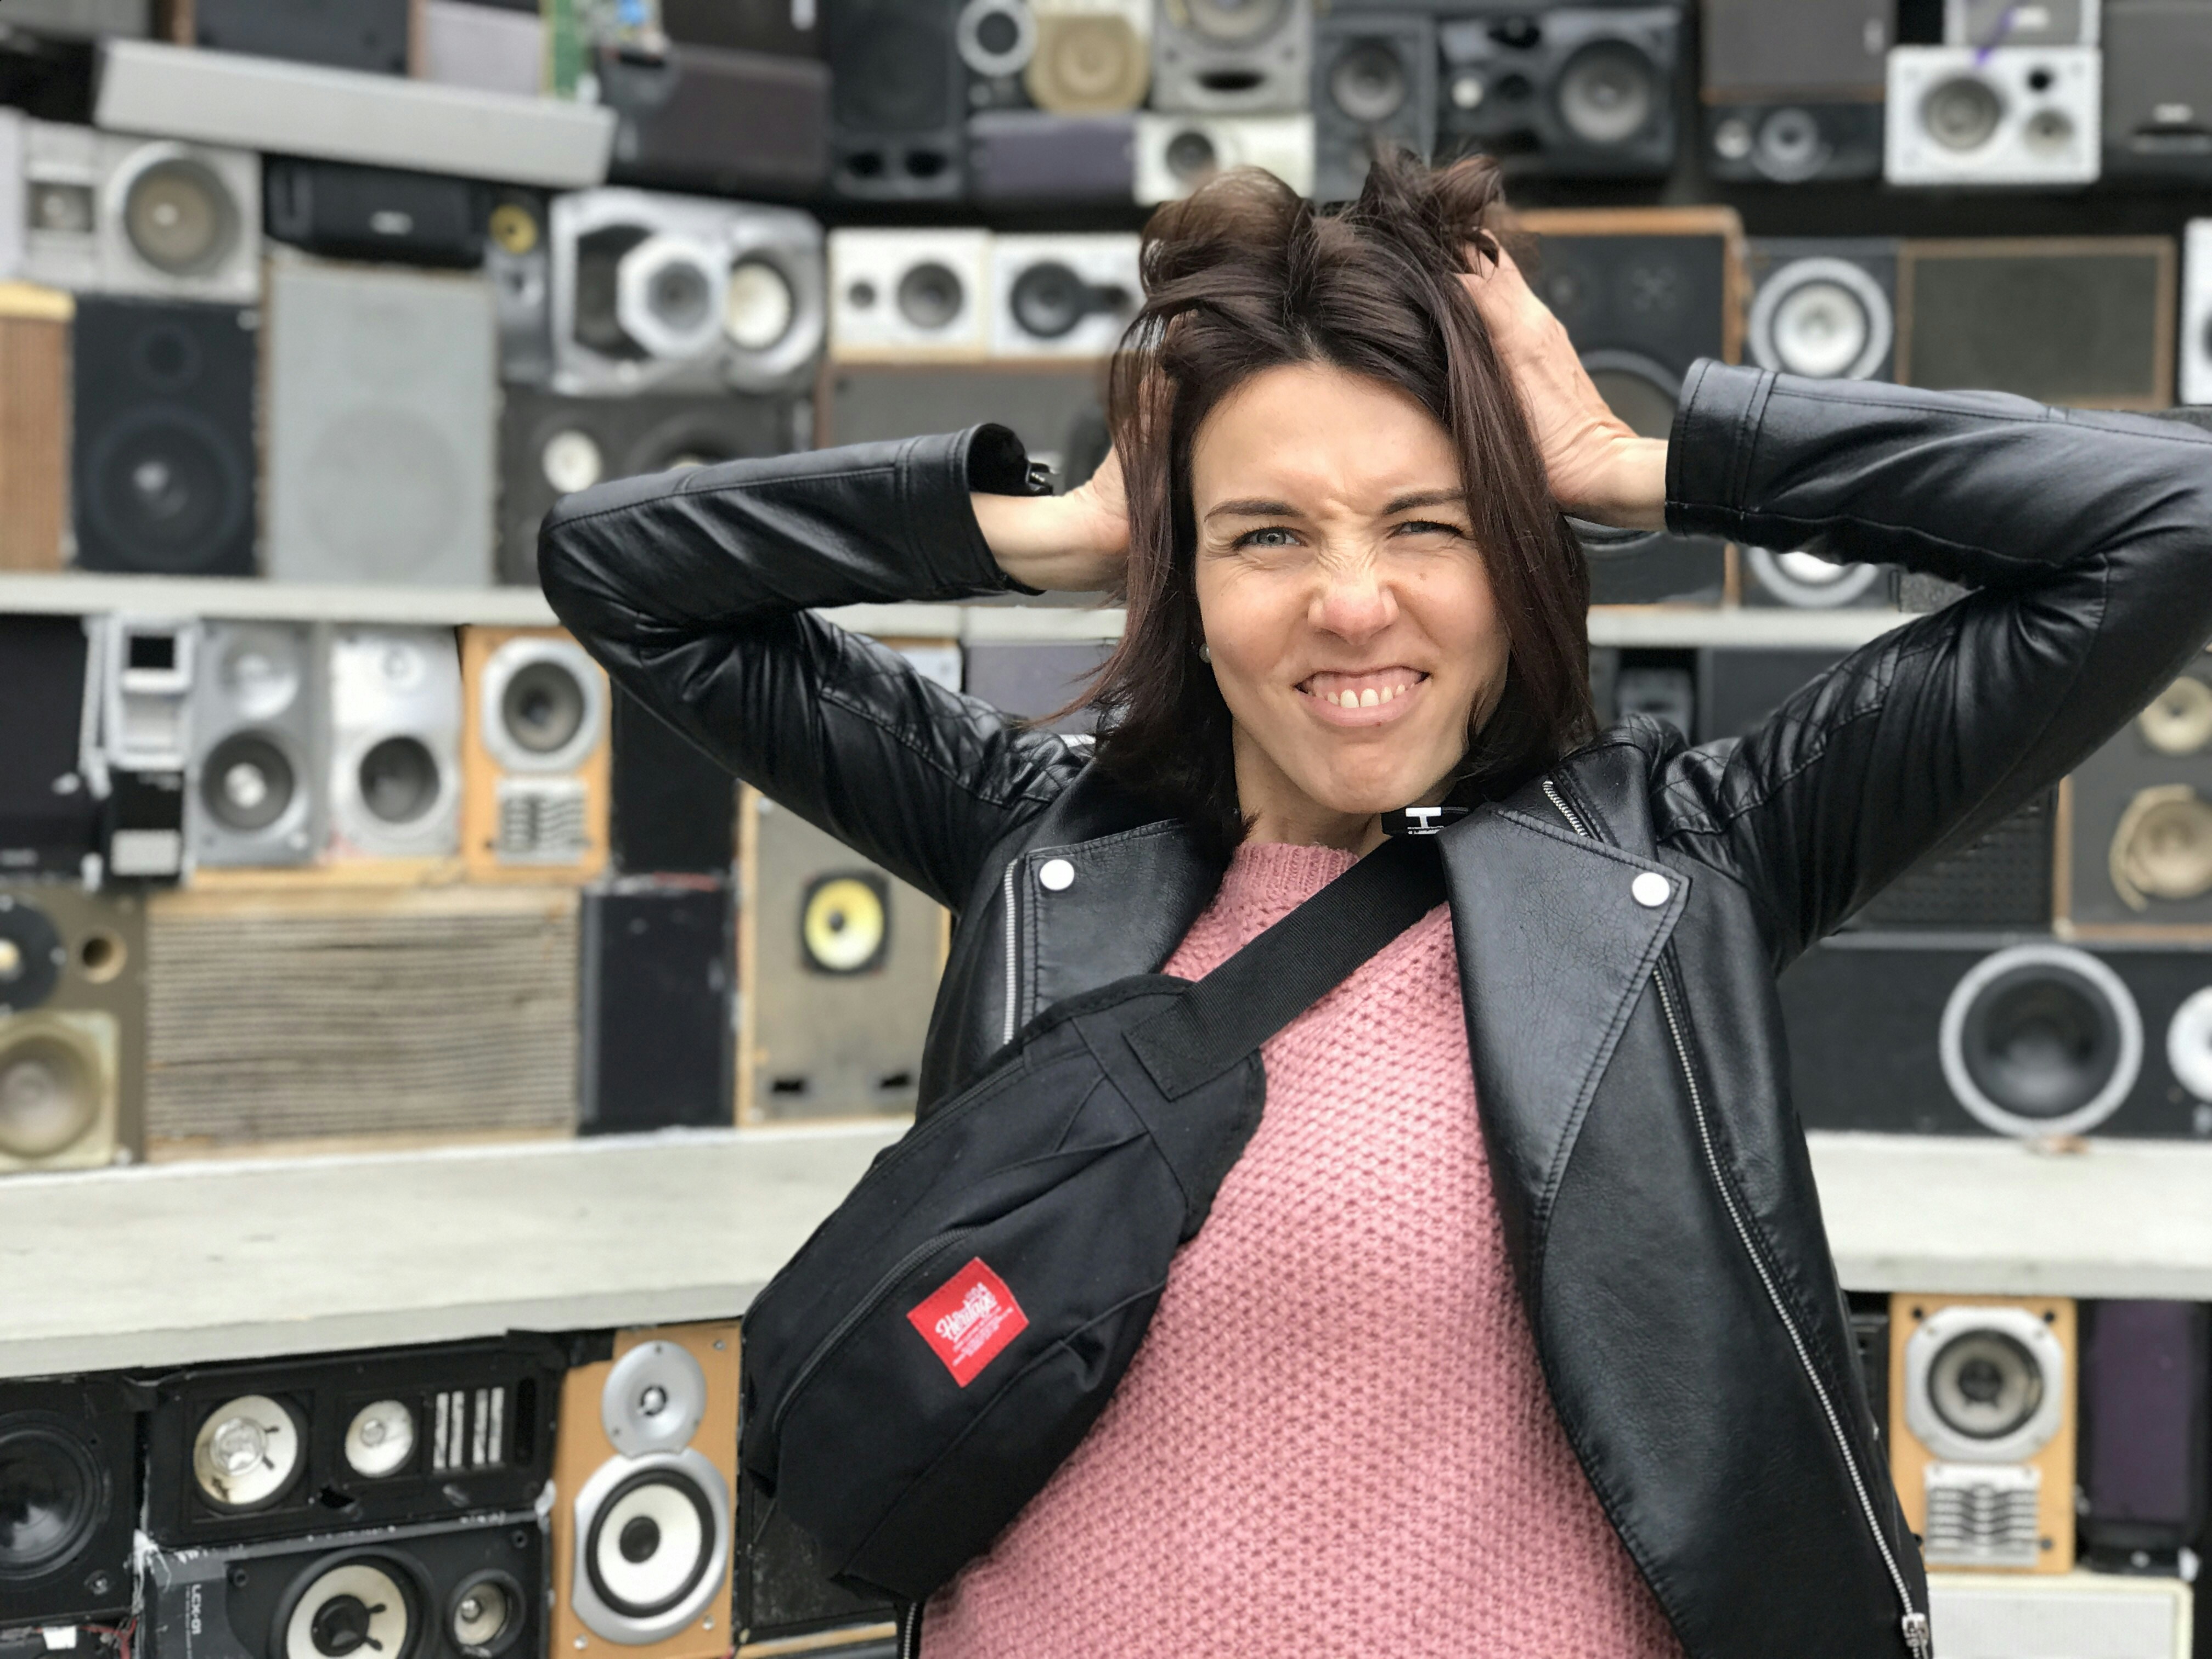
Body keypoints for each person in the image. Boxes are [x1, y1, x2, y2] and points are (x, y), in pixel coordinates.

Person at [538, 151, 2212, 1659]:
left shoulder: (1687, 866)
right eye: (1266, 536)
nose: (1353, 604)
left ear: (1522, 560)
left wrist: (1636, 464)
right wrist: (1058, 526)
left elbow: (2167, 522)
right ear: (1187, 579)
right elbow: (618, 572)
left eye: (1430, 523)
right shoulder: (1041, 844)